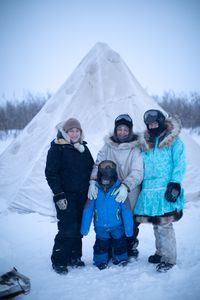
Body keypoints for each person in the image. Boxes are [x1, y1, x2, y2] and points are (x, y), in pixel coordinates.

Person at [134, 109, 186, 272]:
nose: (153, 126)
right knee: (157, 224)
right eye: (150, 124)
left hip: (166, 189)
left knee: (165, 224)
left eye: (155, 123)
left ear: (162, 122)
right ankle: (160, 253)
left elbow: (179, 163)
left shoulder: (174, 141)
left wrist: (175, 183)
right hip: (150, 190)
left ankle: (169, 259)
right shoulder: (145, 143)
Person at [88, 114, 143, 257]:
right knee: (112, 219)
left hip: (129, 190)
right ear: (115, 130)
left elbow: (138, 171)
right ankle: (113, 249)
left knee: (129, 219)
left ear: (130, 131)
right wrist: (93, 180)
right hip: (109, 189)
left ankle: (130, 246)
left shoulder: (136, 148)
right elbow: (98, 164)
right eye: (119, 129)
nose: (122, 132)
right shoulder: (108, 146)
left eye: (125, 129)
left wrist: (126, 186)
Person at [45, 118, 94, 274]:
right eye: (71, 131)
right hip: (65, 196)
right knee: (67, 228)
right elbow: (51, 173)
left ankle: (75, 257)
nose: (74, 133)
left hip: (82, 196)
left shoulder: (83, 149)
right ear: (65, 133)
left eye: (77, 131)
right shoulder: (57, 148)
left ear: (80, 132)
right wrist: (58, 194)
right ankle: (59, 260)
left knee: (79, 228)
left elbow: (92, 169)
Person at [81, 160, 133, 270]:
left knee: (120, 242)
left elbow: (126, 210)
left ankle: (120, 258)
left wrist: (129, 229)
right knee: (101, 244)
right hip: (101, 226)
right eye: (103, 177)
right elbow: (88, 209)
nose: (105, 180)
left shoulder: (120, 190)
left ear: (113, 176)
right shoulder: (94, 190)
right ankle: (100, 261)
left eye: (108, 178)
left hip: (117, 225)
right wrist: (84, 229)